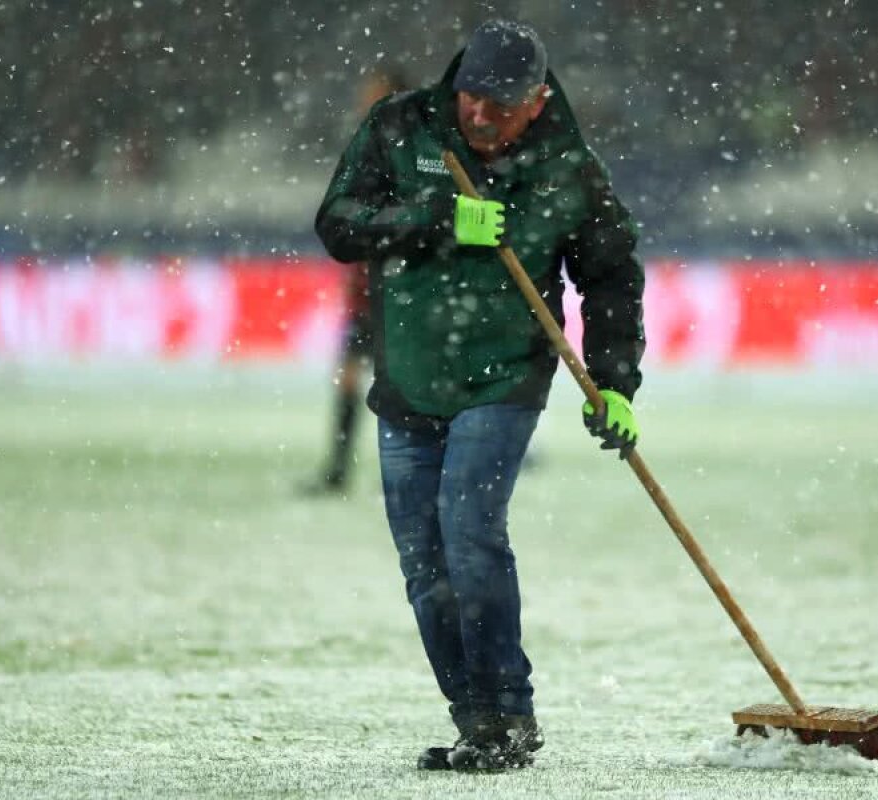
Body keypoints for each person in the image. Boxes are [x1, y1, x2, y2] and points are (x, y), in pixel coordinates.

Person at [314, 20, 645, 771]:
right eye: (470, 98)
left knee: (470, 532)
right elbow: (337, 225)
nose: (480, 116)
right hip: (408, 380)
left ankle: (509, 713)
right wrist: (430, 220)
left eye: (500, 105)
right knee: (424, 562)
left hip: (506, 376)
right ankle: (478, 721)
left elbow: (613, 276)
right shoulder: (401, 128)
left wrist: (616, 384)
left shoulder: (567, 166)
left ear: (536, 102)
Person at [303, 66, 411, 496]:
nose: (364, 102)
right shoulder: (371, 147)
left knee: (406, 388)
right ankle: (338, 470)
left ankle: (410, 474)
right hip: (369, 291)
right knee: (350, 376)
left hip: (399, 290)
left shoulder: (409, 152)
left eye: (374, 94)